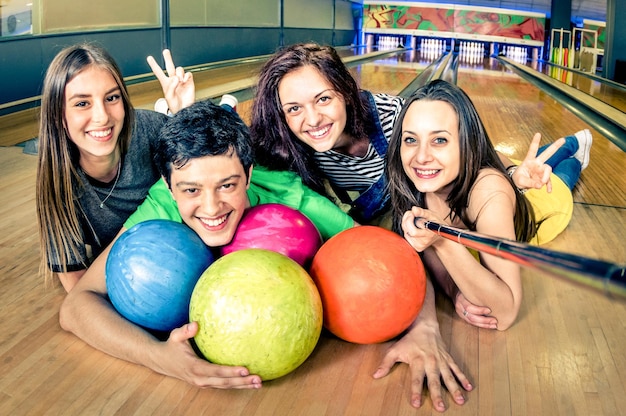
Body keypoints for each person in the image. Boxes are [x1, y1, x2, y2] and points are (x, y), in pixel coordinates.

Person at [60, 101, 472, 411]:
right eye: (190, 190)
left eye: (227, 185)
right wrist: (163, 359)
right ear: (169, 186)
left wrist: (425, 328)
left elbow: (386, 256)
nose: (211, 207)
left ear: (250, 175)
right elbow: (76, 306)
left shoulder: (286, 196)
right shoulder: (159, 210)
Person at [249, 42, 584, 225]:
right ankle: (572, 151)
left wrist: (513, 176)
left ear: (345, 92)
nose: (312, 119)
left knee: (557, 189)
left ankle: (574, 149)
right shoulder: (287, 142)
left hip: (487, 196)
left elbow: (472, 164)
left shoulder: (396, 118)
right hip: (438, 216)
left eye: (323, 99)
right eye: (294, 108)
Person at [385, 79, 592, 331]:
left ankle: (575, 146)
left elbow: (504, 314)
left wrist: (442, 238)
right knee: (533, 161)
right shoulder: (417, 180)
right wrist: (454, 291)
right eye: (410, 140)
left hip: (546, 200)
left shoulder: (489, 192)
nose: (421, 156)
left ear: (466, 145)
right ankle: (556, 153)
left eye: (439, 140)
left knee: (566, 171)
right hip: (512, 176)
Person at [36, 44, 194, 292]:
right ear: (58, 116)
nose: (102, 117)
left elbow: (205, 176)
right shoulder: (58, 184)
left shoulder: (150, 130)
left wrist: (184, 114)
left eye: (112, 98)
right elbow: (77, 285)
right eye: (81, 104)